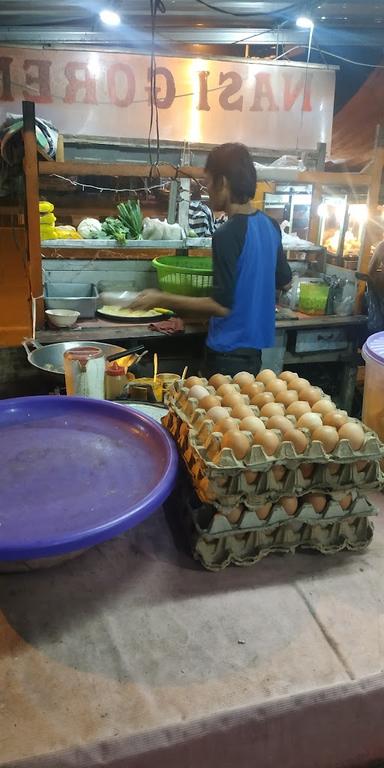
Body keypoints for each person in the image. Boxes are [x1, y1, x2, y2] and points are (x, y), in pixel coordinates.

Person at [130, 142, 292, 377]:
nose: (206, 189)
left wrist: (161, 298)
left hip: (225, 355)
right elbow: (285, 281)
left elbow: (221, 306)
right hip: (254, 354)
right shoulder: (270, 225)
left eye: (208, 181)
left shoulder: (226, 234)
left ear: (223, 182)